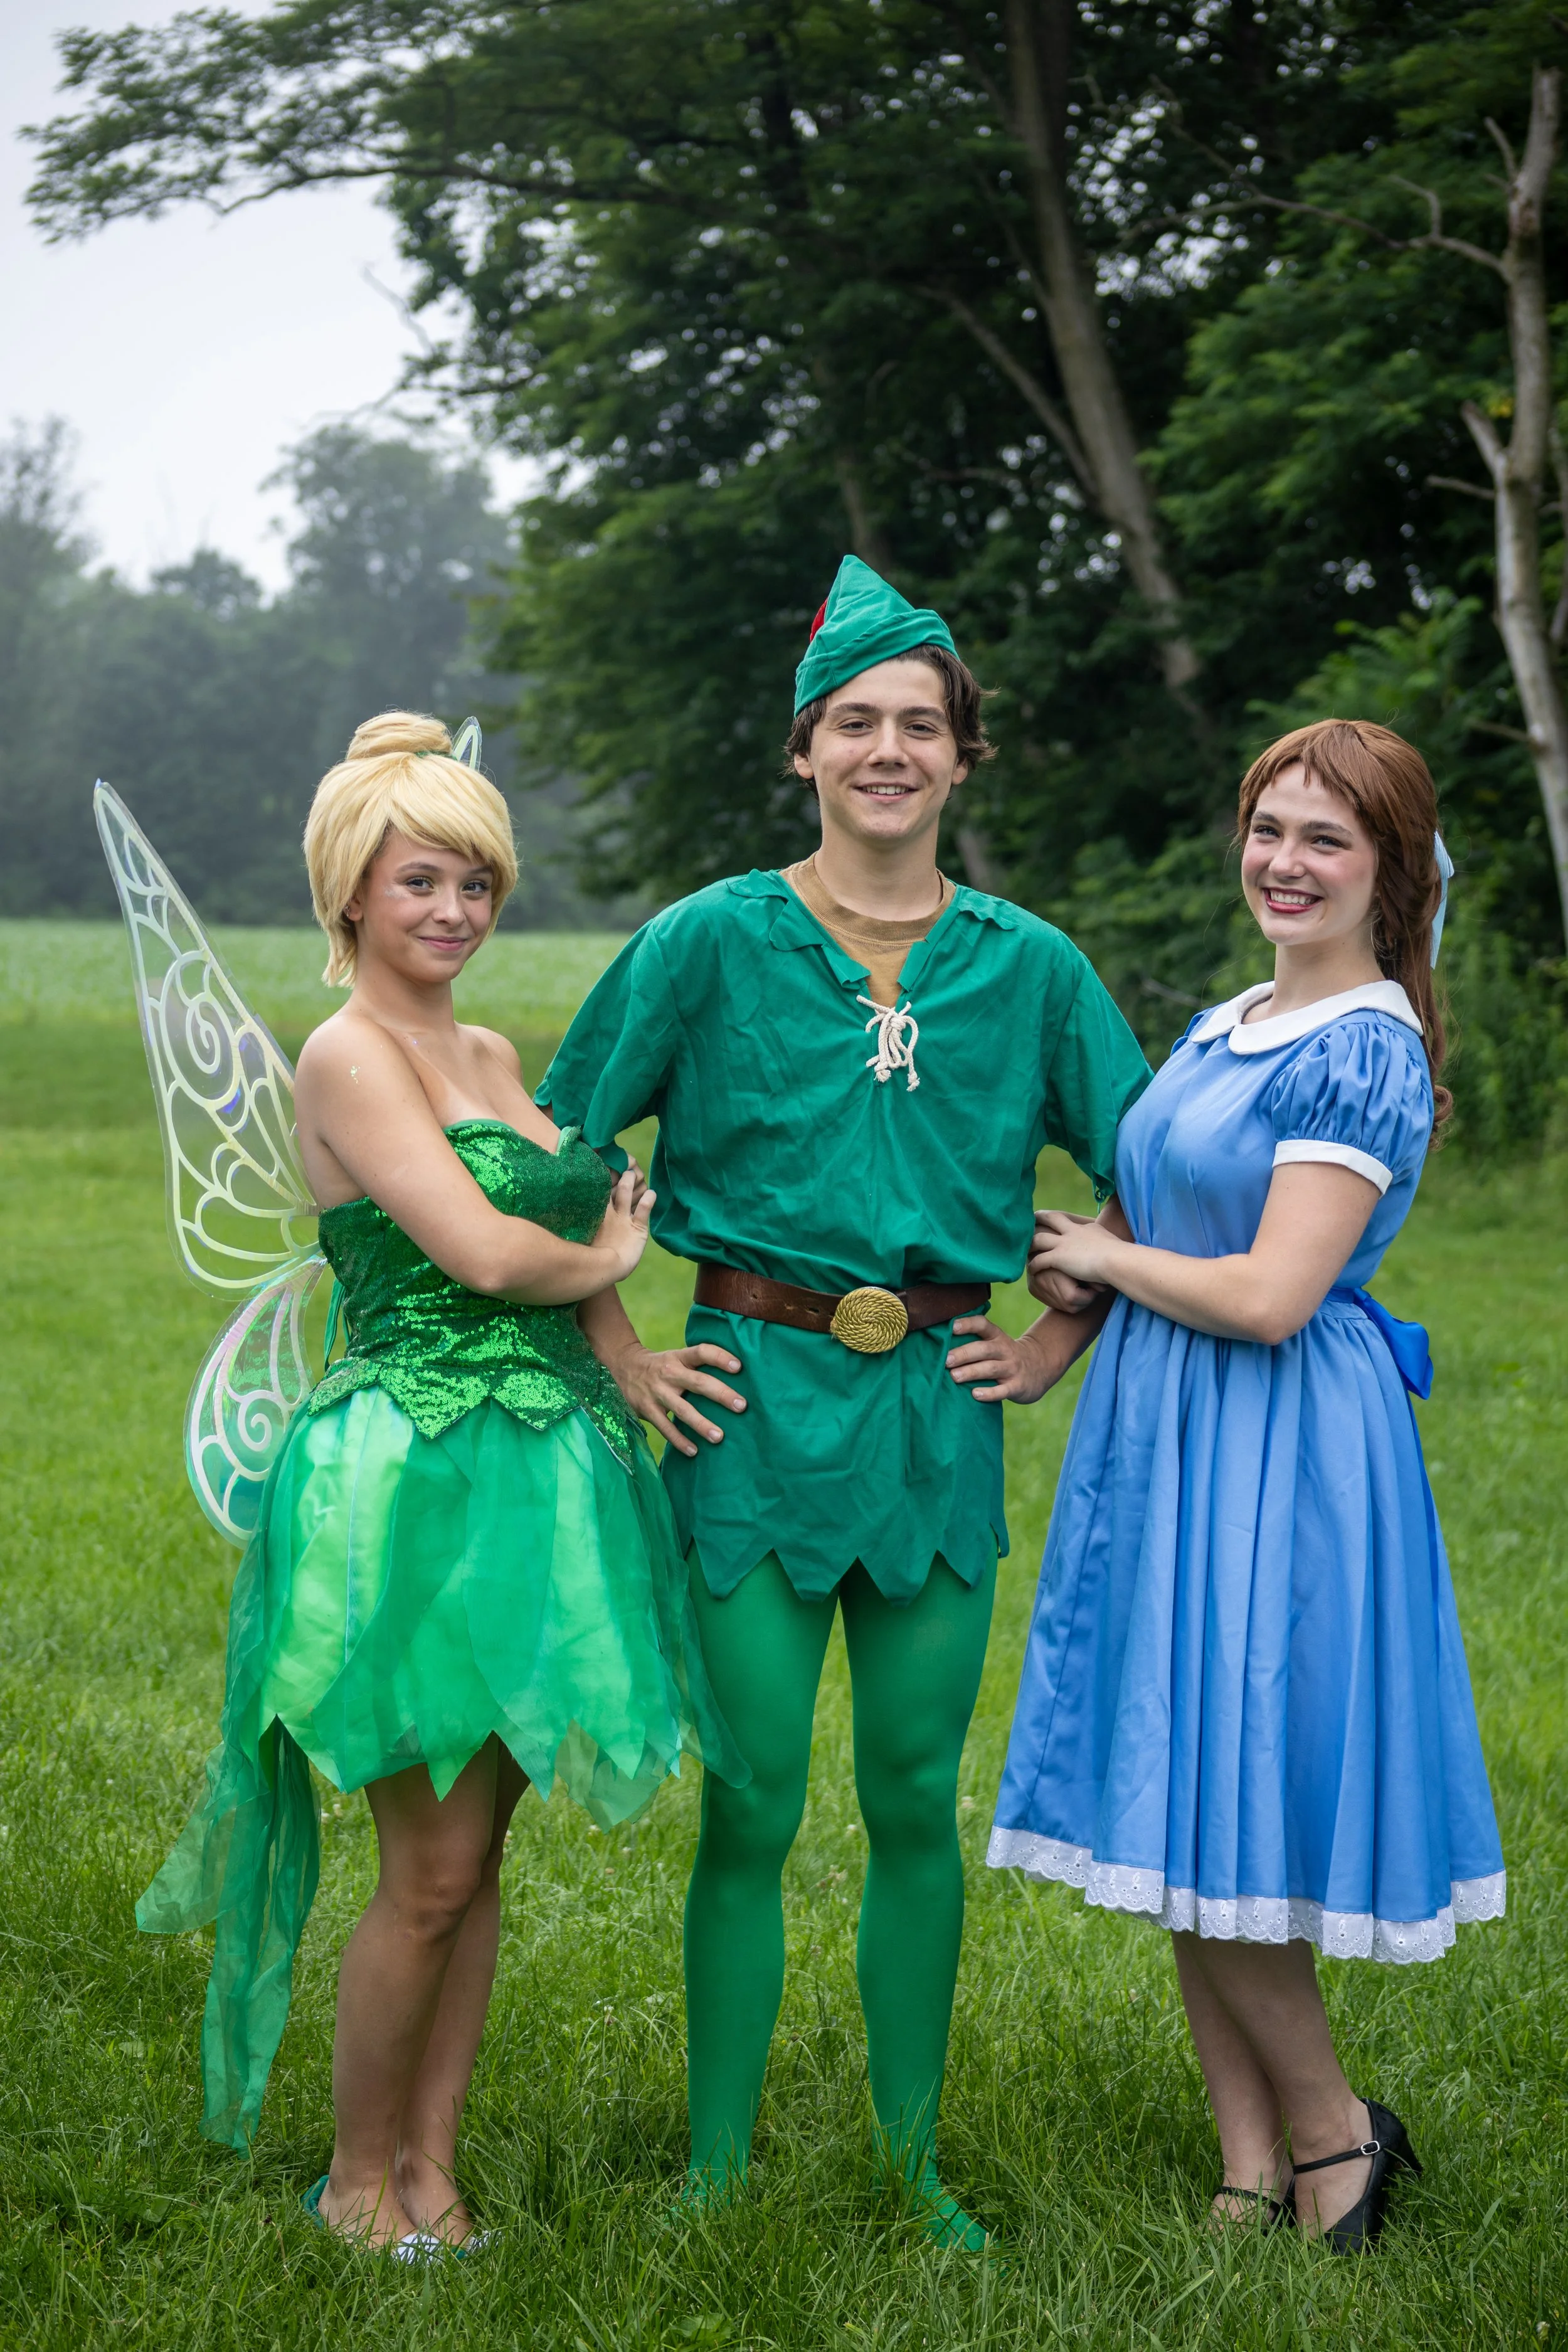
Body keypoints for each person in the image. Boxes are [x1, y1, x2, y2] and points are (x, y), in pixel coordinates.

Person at [537, 556, 1152, 2247]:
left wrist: (1051, 1334)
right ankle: (715, 2168)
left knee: (906, 1792)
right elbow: (554, 1151)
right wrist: (621, 1348)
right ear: (803, 750)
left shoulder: (1028, 967)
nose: (889, 748)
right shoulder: (706, 941)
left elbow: (1162, 1171)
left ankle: (909, 2161)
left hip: (933, 1422)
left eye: (921, 724)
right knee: (748, 1799)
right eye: (856, 722)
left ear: (963, 757)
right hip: (744, 1410)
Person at [131, 712, 745, 2253]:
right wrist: (614, 1251)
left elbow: (551, 1210)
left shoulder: (486, 1051)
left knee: (480, 1863)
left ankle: (434, 2172)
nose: (455, 913)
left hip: (535, 1476)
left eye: (476, 882)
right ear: (353, 896)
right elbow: (480, 1251)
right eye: (421, 883)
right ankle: (352, 2182)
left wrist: (619, 1347)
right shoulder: (347, 1054)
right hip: (405, 1476)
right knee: (427, 1865)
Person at [985, 719, 1505, 2250]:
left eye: (1323, 840)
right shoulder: (1228, 1022)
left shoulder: (1361, 1045)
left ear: (1388, 873)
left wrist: (1094, 1259)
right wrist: (1045, 1345)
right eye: (1267, 828)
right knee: (1178, 1792)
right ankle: (1246, 2160)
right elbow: (1146, 1207)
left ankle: (1339, 2135)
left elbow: (1274, 1290)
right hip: (1168, 1434)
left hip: (1277, 1446)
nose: (1283, 861)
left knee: (1242, 1805)